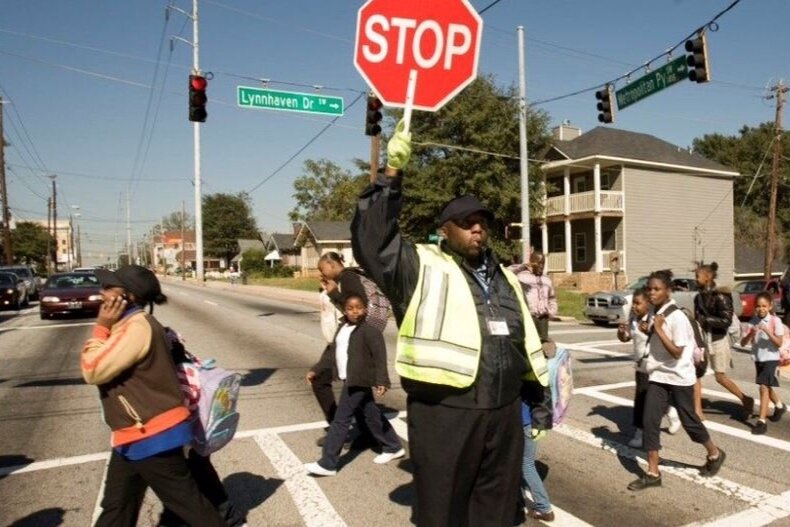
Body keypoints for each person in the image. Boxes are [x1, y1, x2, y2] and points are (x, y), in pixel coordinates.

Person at [351, 119, 550, 526]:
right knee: (443, 509)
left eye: (482, 221)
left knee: (497, 508)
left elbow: (520, 339)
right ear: (445, 231)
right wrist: (392, 175)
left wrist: (536, 396)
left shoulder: (506, 276)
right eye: (465, 222)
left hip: (504, 411)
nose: (477, 228)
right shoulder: (419, 266)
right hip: (446, 413)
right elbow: (374, 242)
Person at [80, 265, 225, 527]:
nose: (101, 293)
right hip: (133, 432)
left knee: (191, 507)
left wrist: (101, 328)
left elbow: (93, 370)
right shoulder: (129, 324)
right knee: (117, 505)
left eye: (108, 288)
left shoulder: (136, 327)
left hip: (151, 432)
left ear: (129, 296)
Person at [628, 270, 726, 491]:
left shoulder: (677, 317)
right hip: (658, 375)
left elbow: (676, 352)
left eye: (657, 289)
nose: (652, 293)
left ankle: (714, 453)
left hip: (680, 377)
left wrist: (660, 331)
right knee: (650, 420)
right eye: (650, 289)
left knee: (690, 421)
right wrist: (649, 329)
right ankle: (653, 473)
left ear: (668, 291)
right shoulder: (655, 313)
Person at [304, 292, 405, 476]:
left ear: (365, 308)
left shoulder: (370, 331)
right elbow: (332, 352)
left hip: (359, 379)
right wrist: (317, 369)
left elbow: (380, 357)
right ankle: (393, 446)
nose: (355, 312)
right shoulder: (342, 327)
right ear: (344, 309)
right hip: (347, 377)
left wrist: (382, 380)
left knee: (340, 421)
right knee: (371, 414)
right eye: (350, 308)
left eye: (359, 307)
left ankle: (328, 463)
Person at [309, 251, 375, 448]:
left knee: (320, 378)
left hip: (349, 341)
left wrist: (334, 293)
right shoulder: (342, 281)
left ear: (331, 265)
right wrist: (331, 291)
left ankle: (340, 431)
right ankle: (371, 435)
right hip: (343, 340)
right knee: (358, 389)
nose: (321, 272)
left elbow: (357, 310)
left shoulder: (349, 279)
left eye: (322, 269)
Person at [617, 288, 681, 449]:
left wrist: (650, 331)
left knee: (646, 400)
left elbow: (665, 338)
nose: (634, 307)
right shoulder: (633, 319)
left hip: (655, 366)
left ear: (648, 305)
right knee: (643, 399)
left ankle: (641, 432)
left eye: (638, 304)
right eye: (633, 304)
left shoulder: (654, 319)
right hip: (641, 367)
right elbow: (626, 338)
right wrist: (621, 333)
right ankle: (670, 412)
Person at [694, 262, 754, 421]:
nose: (695, 279)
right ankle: (697, 411)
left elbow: (726, 320)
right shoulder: (698, 297)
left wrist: (705, 319)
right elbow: (697, 318)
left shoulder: (720, 295)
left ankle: (746, 399)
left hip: (718, 341)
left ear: (707, 277)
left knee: (720, 377)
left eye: (697, 276)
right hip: (704, 340)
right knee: (696, 373)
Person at [740, 291, 787, 434]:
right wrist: (751, 333)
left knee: (763, 388)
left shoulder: (775, 321)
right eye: (758, 306)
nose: (761, 309)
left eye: (764, 306)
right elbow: (742, 343)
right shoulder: (752, 321)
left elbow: (779, 343)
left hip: (771, 358)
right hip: (758, 358)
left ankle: (761, 421)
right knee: (765, 385)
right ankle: (779, 406)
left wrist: (767, 331)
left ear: (770, 306)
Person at [520, 402, 554, 522]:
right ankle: (544, 508)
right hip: (536, 422)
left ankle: (543, 507)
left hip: (520, 421)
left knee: (523, 464)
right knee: (527, 463)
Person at [514, 251, 558, 343]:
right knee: (529, 343)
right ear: (532, 262)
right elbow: (506, 272)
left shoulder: (547, 280)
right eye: (538, 263)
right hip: (529, 317)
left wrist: (550, 312)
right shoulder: (521, 277)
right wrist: (523, 266)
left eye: (543, 263)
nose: (541, 266)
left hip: (543, 318)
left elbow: (552, 298)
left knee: (543, 344)